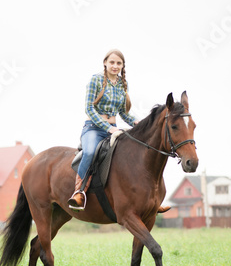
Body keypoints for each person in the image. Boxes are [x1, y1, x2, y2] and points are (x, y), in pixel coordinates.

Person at [67, 49, 171, 214]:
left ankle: (149, 198)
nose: (115, 66)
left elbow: (123, 113)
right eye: (112, 62)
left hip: (113, 129)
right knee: (90, 152)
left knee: (136, 152)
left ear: (123, 66)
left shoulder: (123, 84)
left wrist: (137, 122)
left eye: (119, 63)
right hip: (93, 128)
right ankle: (79, 192)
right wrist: (109, 127)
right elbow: (89, 109)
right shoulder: (96, 80)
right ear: (105, 63)